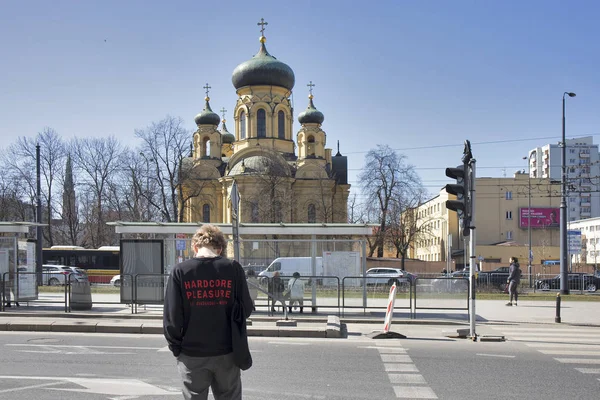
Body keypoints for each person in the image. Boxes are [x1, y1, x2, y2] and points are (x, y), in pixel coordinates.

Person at [164, 224, 253, 400]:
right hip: (227, 351)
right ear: (220, 248)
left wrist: (176, 348)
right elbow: (246, 309)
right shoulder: (233, 269)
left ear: (195, 247)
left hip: (192, 353)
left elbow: (172, 317)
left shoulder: (180, 271)